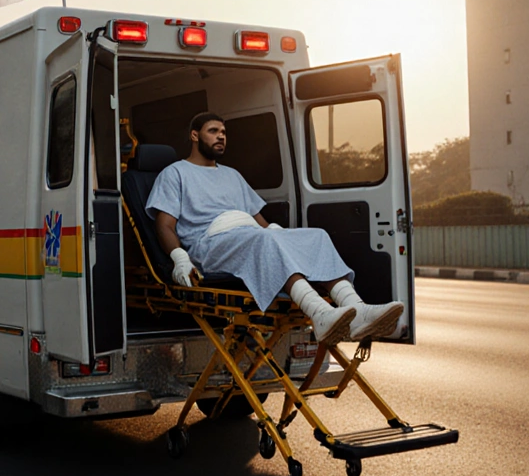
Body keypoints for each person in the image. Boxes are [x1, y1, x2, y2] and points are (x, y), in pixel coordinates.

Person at [145, 112, 405, 347]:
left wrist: (275, 230)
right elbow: (164, 225)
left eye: (224, 133)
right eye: (213, 131)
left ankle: (357, 309)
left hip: (246, 233)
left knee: (316, 236)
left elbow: (258, 220)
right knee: (264, 241)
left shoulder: (232, 175)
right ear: (194, 135)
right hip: (209, 242)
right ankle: (320, 314)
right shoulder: (175, 173)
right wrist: (179, 258)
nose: (221, 137)